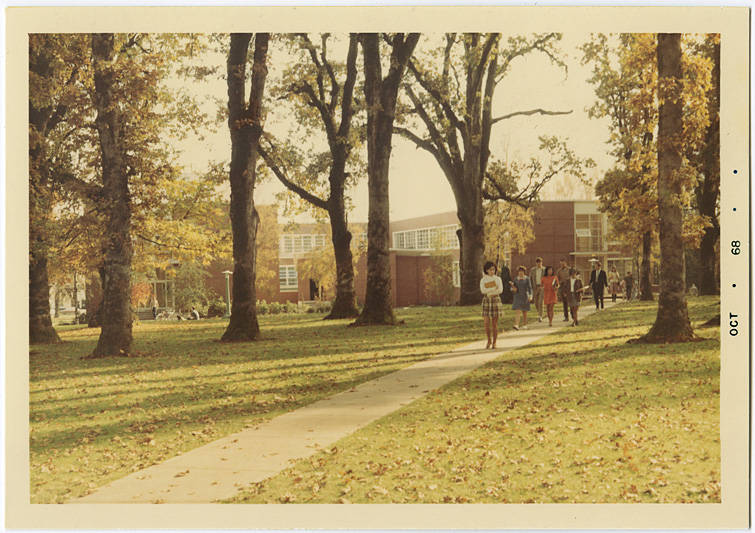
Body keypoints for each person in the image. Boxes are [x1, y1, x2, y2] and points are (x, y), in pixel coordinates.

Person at [480, 261, 503, 349]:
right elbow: (483, 290)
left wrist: (490, 292)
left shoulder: (498, 279)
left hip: (495, 300)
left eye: (493, 269)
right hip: (486, 301)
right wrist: (493, 289)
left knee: (494, 323)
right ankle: (489, 340)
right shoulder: (483, 280)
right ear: (486, 270)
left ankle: (494, 342)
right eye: (490, 270)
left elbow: (500, 290)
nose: (492, 271)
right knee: (486, 323)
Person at [509, 265, 532, 330]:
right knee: (518, 310)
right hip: (517, 296)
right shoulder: (516, 279)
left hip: (525, 296)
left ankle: (525, 324)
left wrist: (530, 296)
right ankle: (516, 325)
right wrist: (512, 287)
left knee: (524, 312)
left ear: (524, 272)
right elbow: (513, 288)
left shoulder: (527, 279)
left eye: (522, 271)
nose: (520, 273)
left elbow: (530, 288)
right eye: (519, 271)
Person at [529, 257, 545, 322]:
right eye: (537, 263)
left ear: (542, 263)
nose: (539, 264)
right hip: (535, 287)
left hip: (542, 287)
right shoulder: (532, 270)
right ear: (536, 263)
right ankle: (539, 312)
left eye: (540, 263)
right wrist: (530, 287)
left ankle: (540, 316)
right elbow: (530, 279)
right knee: (536, 302)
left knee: (540, 301)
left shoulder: (544, 270)